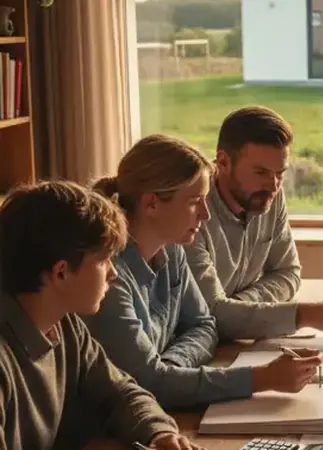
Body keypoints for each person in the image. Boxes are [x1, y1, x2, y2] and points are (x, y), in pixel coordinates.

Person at [81, 134, 323, 410]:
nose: (206, 215)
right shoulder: (108, 277)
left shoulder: (172, 251)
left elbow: (205, 325)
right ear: (151, 204)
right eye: (195, 201)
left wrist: (172, 366)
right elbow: (148, 384)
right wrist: (261, 378)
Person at [0, 180, 202, 450]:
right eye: (104, 260)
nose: (113, 273)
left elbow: (121, 392)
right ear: (62, 272)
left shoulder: (66, 325)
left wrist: (160, 434)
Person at [183, 105, 323, 341]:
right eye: (261, 172)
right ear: (223, 162)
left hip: (233, 342)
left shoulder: (267, 195)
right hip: (196, 342)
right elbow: (210, 314)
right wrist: (306, 314)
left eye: (280, 173)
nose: (274, 185)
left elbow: (288, 273)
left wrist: (239, 306)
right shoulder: (190, 211)